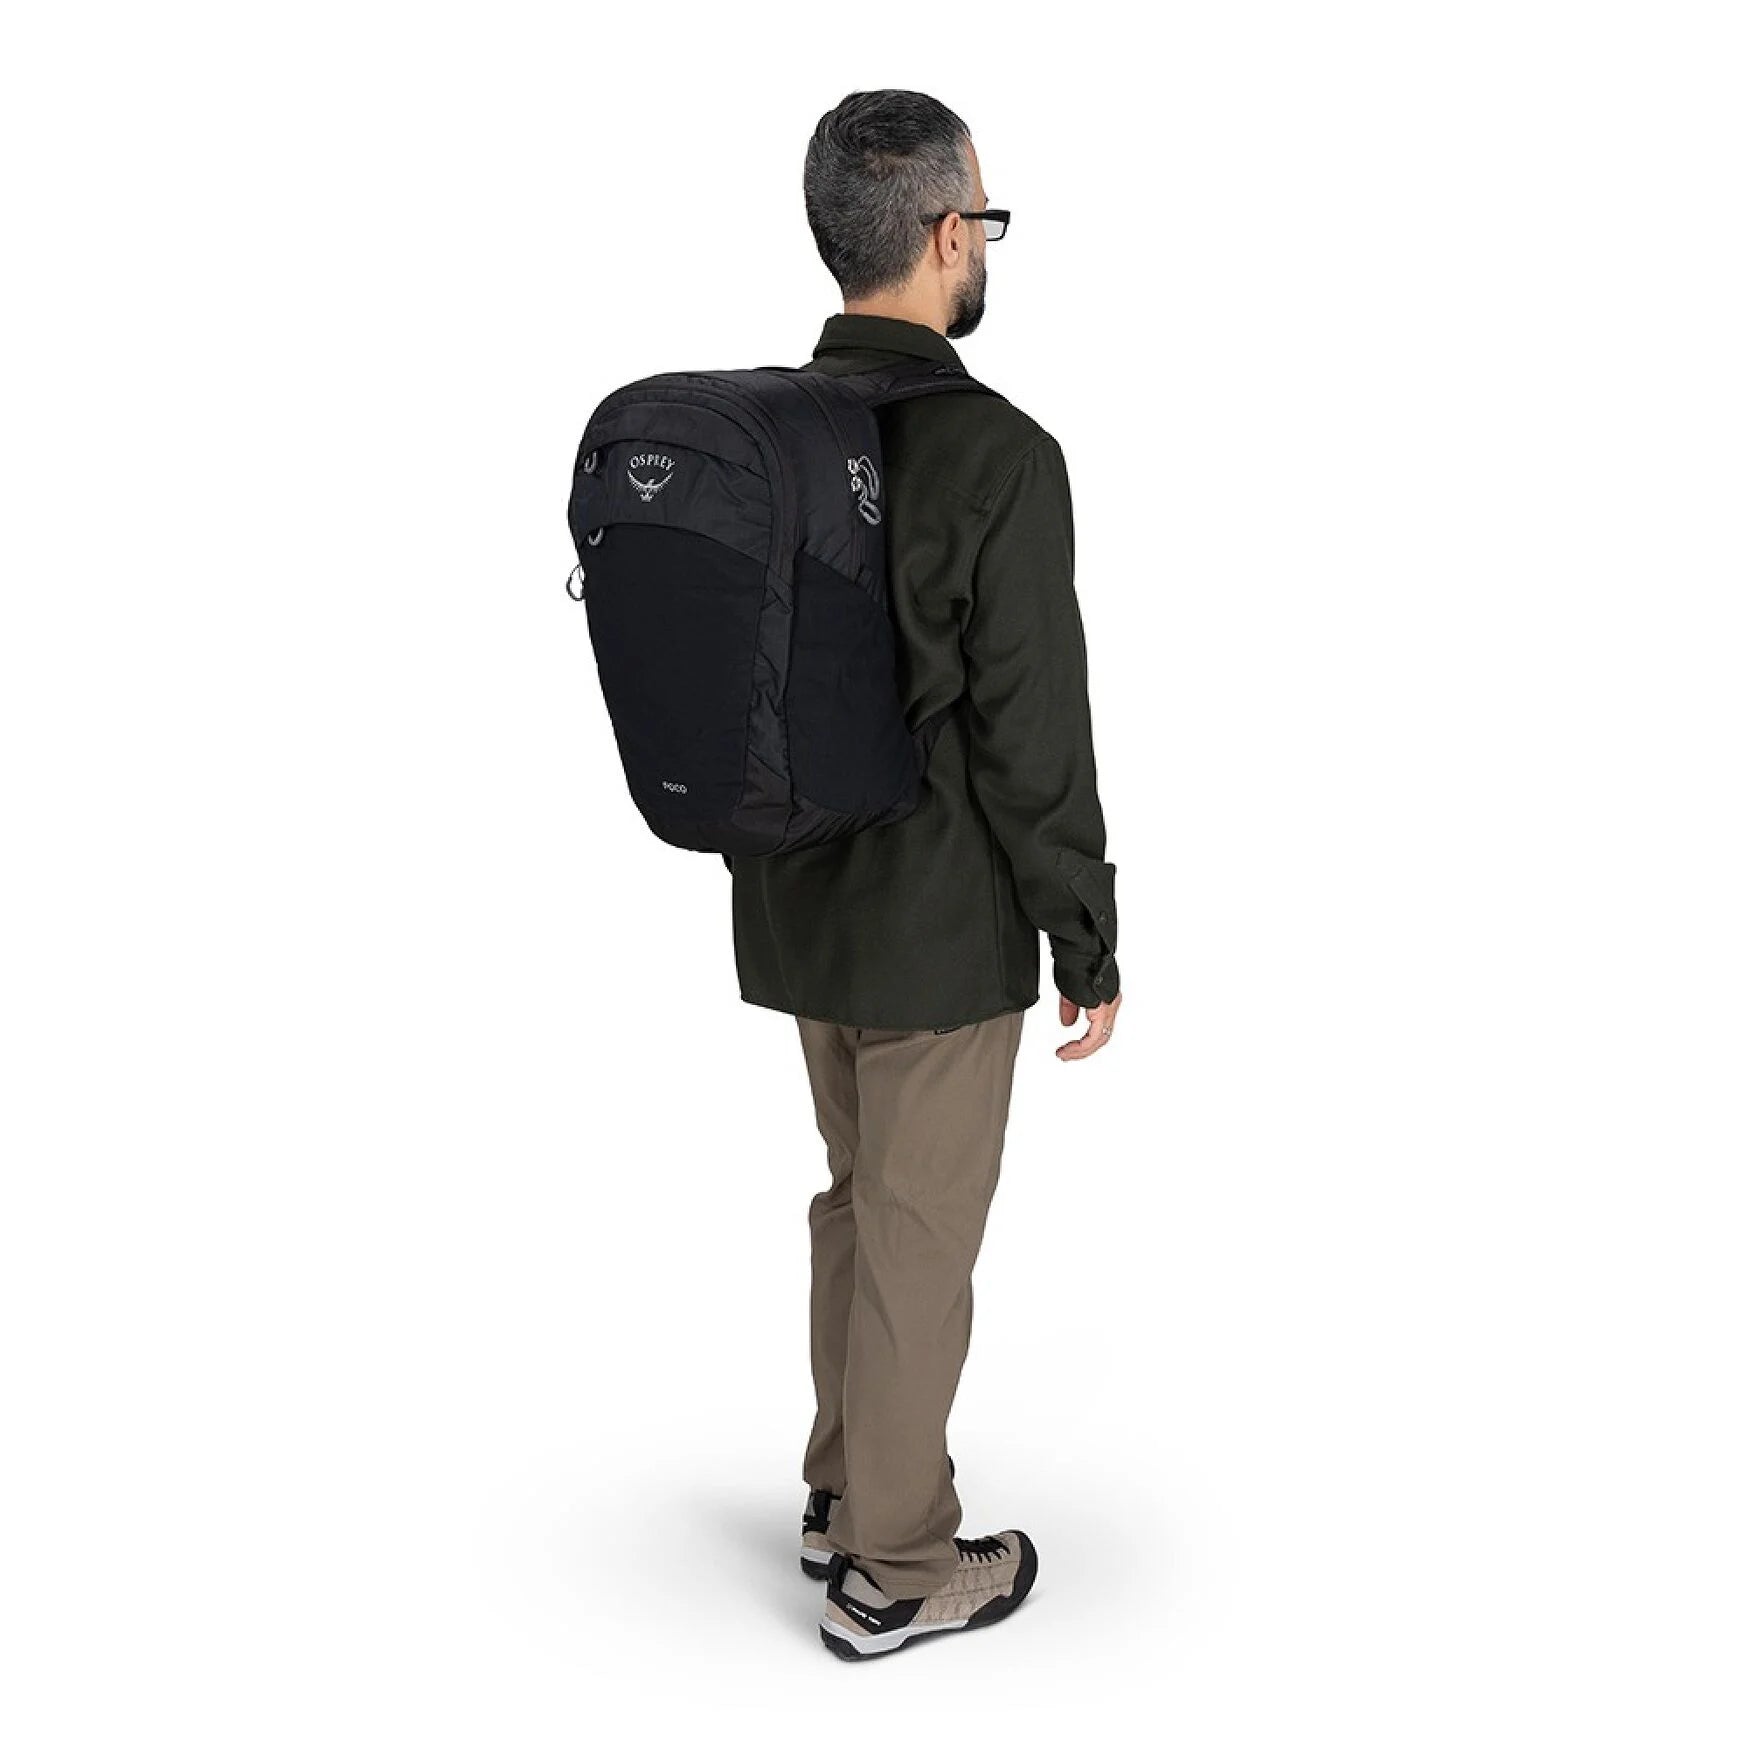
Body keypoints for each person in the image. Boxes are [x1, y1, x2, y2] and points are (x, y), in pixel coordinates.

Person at [729, 89, 1123, 1660]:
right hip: (939, 929)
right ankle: (896, 1563)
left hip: (798, 906)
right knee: (914, 1230)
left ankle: (843, 1485)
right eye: (987, 224)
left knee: (859, 1200)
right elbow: (1034, 731)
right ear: (950, 234)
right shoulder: (996, 455)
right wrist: (1086, 935)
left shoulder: (760, 435)